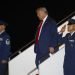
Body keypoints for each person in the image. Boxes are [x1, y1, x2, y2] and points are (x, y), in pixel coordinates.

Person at [34, 7, 58, 75]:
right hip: (39, 48)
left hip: (46, 49)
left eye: (38, 13)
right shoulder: (41, 23)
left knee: (45, 65)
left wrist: (52, 46)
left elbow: (54, 34)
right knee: (37, 63)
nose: (37, 15)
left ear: (43, 12)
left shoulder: (51, 21)